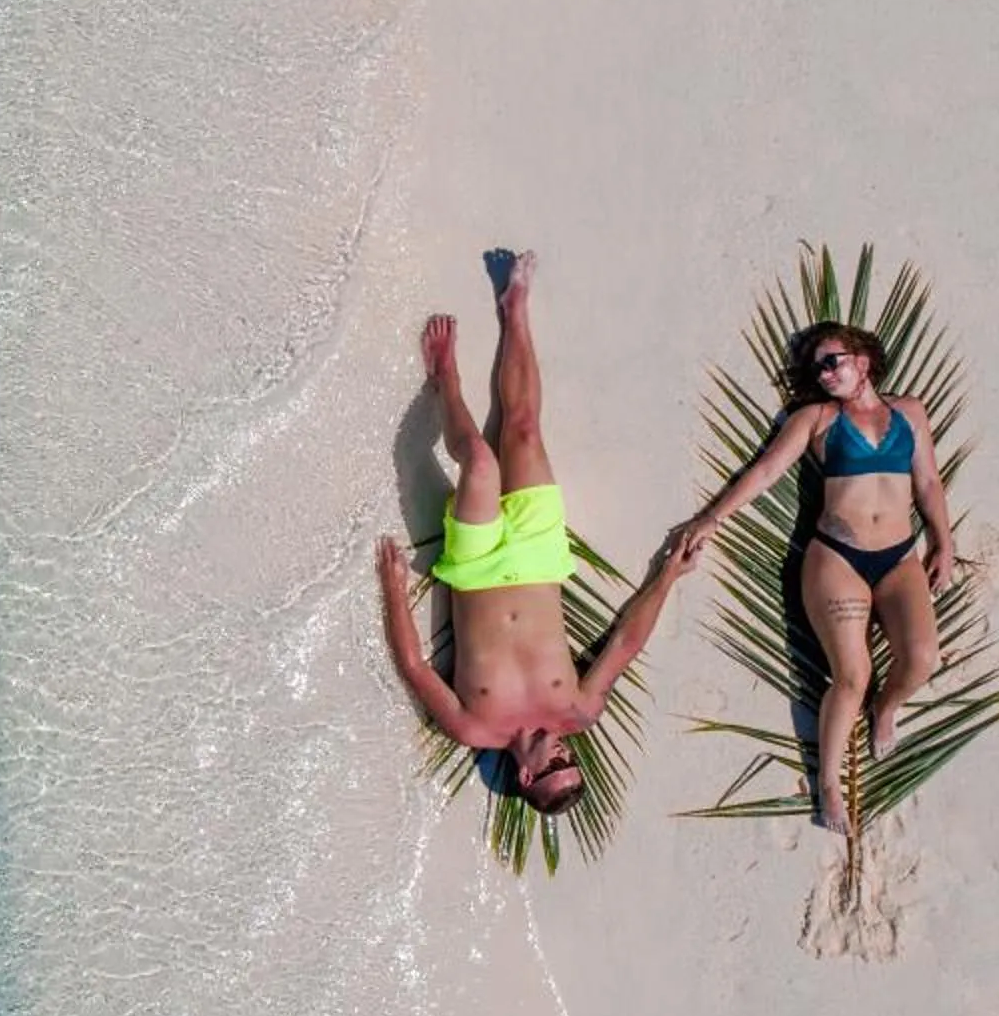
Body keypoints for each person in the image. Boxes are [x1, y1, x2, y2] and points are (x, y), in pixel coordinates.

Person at [375, 253, 698, 814]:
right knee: (522, 428)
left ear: (526, 776)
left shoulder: (474, 728)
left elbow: (415, 667)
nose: (562, 752)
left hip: (474, 568)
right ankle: (516, 313)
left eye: (553, 766)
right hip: (540, 554)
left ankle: (446, 379)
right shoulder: (578, 711)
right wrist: (669, 573)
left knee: (479, 460)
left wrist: (394, 588)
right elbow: (625, 642)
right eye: (571, 760)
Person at [667, 321, 953, 832]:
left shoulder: (910, 412)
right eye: (817, 368)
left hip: (899, 558)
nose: (824, 374)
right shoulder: (817, 418)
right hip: (837, 559)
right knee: (851, 675)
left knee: (923, 659)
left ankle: (886, 708)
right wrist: (712, 516)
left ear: (863, 359)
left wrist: (944, 544)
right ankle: (828, 785)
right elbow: (764, 473)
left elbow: (928, 481)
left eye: (832, 361)